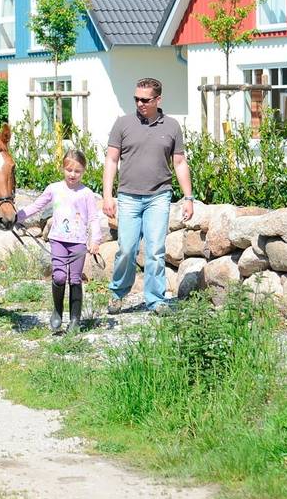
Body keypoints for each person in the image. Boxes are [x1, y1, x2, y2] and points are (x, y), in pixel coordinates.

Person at [102, 78, 194, 315]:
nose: (139, 103)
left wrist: (188, 197)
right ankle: (117, 293)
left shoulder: (172, 126)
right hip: (128, 196)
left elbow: (180, 162)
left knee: (155, 250)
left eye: (145, 99)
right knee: (127, 248)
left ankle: (156, 300)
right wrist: (107, 195)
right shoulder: (122, 124)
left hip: (159, 196)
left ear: (158, 100)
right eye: (136, 99)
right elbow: (111, 160)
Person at [14, 150, 102, 334]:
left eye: (77, 171)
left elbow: (94, 218)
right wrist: (18, 216)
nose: (73, 174)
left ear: (84, 171)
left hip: (78, 243)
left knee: (75, 279)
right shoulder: (54, 188)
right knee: (59, 276)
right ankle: (57, 311)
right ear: (63, 168)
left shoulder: (86, 193)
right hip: (58, 240)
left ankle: (75, 320)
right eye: (69, 169)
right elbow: (37, 205)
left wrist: (95, 239)